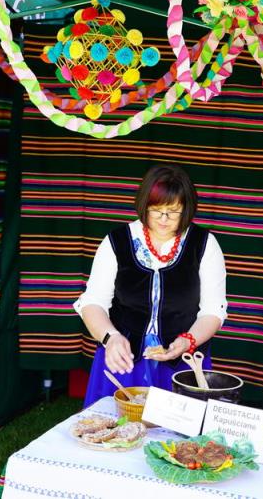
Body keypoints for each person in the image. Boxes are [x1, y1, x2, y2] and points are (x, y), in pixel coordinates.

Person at [74, 164, 227, 406]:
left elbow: (213, 311)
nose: (164, 219)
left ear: (187, 209)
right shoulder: (117, 241)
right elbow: (93, 302)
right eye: (156, 210)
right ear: (144, 204)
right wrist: (110, 338)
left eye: (173, 212)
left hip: (181, 361)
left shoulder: (204, 244)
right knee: (116, 426)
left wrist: (187, 341)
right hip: (123, 357)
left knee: (177, 429)